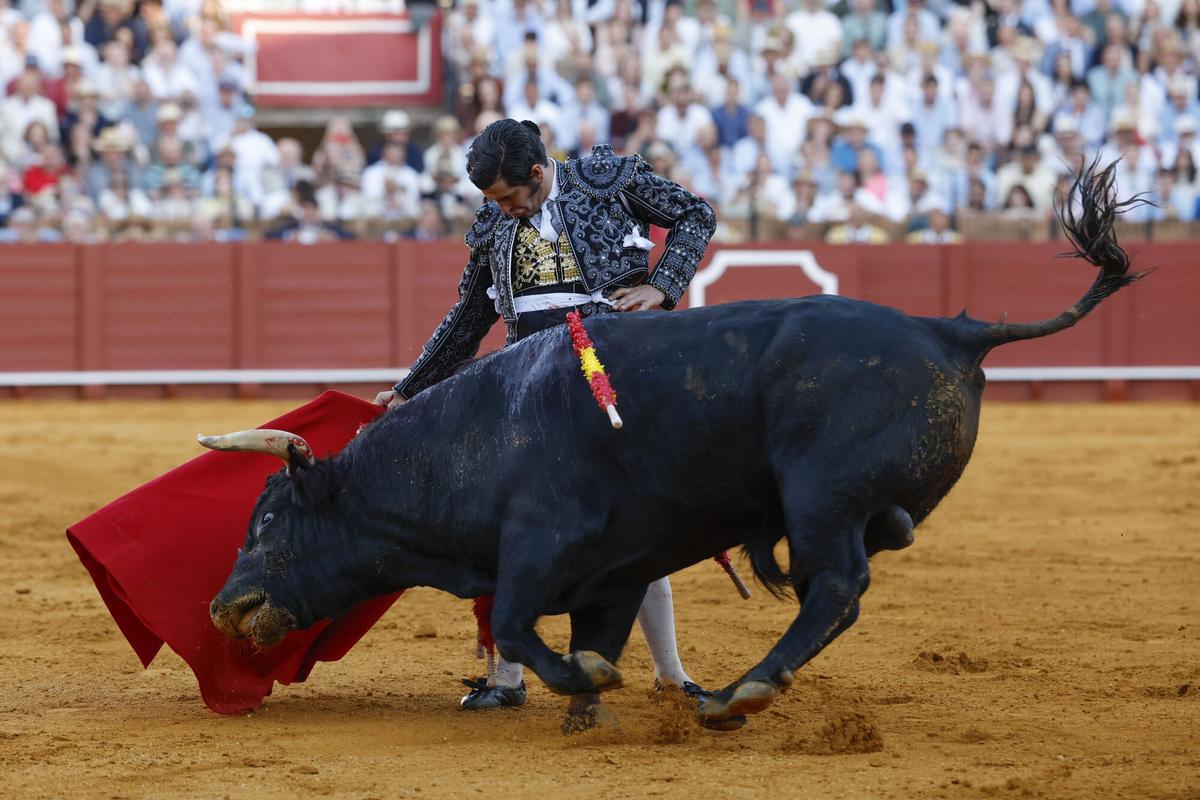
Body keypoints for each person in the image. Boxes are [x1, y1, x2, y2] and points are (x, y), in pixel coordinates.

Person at [373, 118, 717, 712]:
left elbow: (696, 216)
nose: (504, 210)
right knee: (513, 525)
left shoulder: (608, 180)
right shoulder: (494, 225)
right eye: (493, 201)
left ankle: (672, 676)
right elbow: (468, 319)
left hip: (610, 379)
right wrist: (411, 387)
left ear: (537, 173)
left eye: (509, 196)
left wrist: (663, 285)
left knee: (635, 525)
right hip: (528, 387)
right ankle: (507, 680)